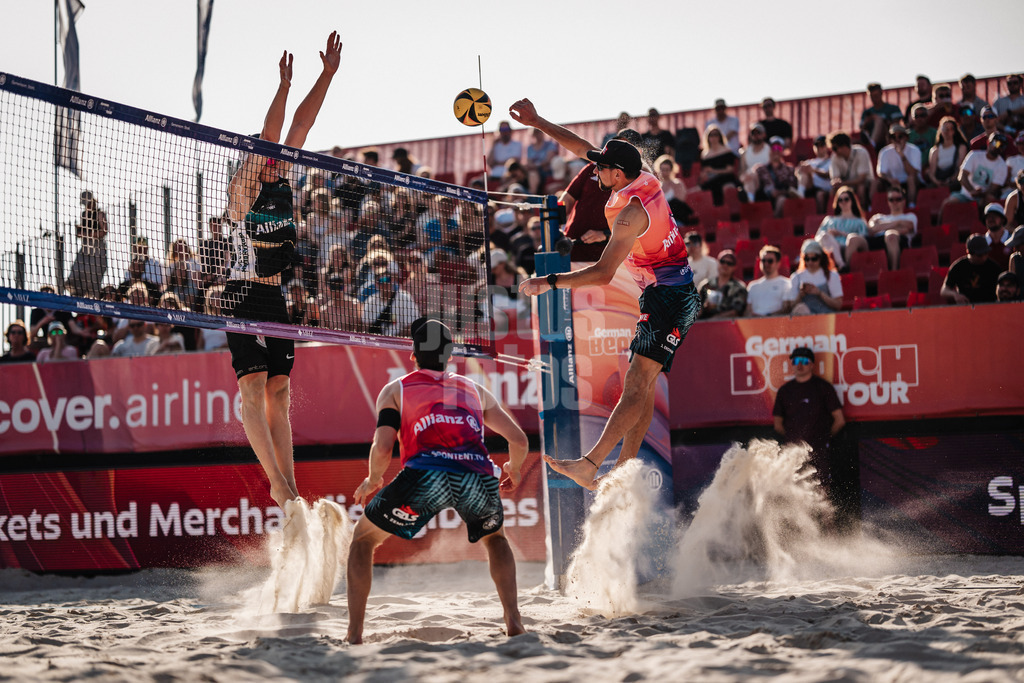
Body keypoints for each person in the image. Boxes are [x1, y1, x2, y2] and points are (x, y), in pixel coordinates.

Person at [510, 97, 700, 489]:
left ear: (617, 173)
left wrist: (548, 283)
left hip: (671, 297)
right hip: (664, 294)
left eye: (602, 167)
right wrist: (538, 121)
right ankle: (623, 470)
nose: (594, 168)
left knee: (635, 384)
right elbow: (582, 148)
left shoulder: (631, 212)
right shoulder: (639, 174)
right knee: (643, 388)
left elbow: (601, 273)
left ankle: (591, 463)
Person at [346, 318, 529, 644]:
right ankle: (514, 621)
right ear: (450, 356)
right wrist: (514, 469)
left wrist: (373, 479)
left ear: (413, 354)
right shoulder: (475, 389)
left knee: (362, 541)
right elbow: (518, 440)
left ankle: (355, 634)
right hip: (476, 475)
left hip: (426, 475)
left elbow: (383, 446)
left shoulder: (396, 390)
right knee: (496, 540)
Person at [222, 32, 342, 508]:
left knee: (280, 390)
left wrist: (327, 74)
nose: (274, 158)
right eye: (265, 157)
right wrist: (283, 87)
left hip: (274, 295)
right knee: (253, 385)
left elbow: (301, 128)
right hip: (239, 293)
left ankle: (290, 488)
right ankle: (275, 481)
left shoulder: (283, 178)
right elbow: (273, 135)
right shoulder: (242, 193)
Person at [772, 347, 847, 521]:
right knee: (793, 497)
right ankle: (797, 541)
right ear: (791, 364)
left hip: (819, 452)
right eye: (796, 361)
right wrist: (794, 442)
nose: (800, 365)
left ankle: (831, 540)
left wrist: (823, 439)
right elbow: (778, 424)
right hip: (793, 456)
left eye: (804, 361)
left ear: (812, 364)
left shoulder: (822, 387)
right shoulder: (785, 391)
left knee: (823, 496)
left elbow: (839, 420)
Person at [65, 190, 109, 299]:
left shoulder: (99, 213)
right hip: (85, 248)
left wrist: (88, 234)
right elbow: (81, 233)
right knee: (75, 273)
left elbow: (103, 231)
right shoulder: (84, 214)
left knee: (93, 278)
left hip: (97, 248)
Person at [815, 186, 869, 270]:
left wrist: (840, 233)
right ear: (837, 203)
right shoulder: (829, 220)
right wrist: (830, 235)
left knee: (852, 238)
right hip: (832, 249)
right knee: (824, 235)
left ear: (852, 201)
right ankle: (842, 266)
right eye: (840, 200)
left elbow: (864, 238)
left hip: (850, 248)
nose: (843, 202)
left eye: (846, 199)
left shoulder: (860, 221)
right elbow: (817, 238)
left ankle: (847, 266)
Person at [785, 240, 843, 315]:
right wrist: (801, 295)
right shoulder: (796, 277)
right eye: (807, 259)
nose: (810, 262)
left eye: (814, 258)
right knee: (800, 308)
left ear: (821, 258)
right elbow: (791, 308)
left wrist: (819, 293)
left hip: (826, 318)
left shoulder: (832, 276)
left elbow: (838, 305)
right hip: (805, 322)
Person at [866, 187, 917, 270]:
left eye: (898, 199)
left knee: (891, 235)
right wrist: (898, 222)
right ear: (888, 201)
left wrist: (881, 226)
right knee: (855, 238)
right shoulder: (878, 217)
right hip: (877, 243)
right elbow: (871, 229)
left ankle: (894, 271)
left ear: (904, 201)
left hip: (899, 243)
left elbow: (906, 229)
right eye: (891, 199)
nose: (894, 202)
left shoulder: (910, 216)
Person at [941, 234, 1001, 304]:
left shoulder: (993, 267)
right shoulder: (959, 267)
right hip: (966, 306)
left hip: (989, 305)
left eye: (986, 253)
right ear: (969, 252)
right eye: (980, 255)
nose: (984, 257)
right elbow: (944, 291)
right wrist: (955, 295)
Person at [749, 136, 801, 214]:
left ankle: (774, 220)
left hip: (782, 201)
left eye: (779, 148)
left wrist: (779, 192)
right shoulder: (760, 169)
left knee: (781, 199)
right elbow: (751, 179)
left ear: (782, 151)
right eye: (773, 148)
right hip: (764, 200)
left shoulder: (790, 169)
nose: (776, 151)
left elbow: (792, 189)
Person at [876, 124, 922, 204]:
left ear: (906, 137)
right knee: (875, 183)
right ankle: (873, 207)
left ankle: (911, 204)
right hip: (892, 182)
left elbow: (912, 173)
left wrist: (902, 155)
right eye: (893, 137)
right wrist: (889, 179)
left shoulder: (915, 150)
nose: (897, 140)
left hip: (912, 182)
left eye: (900, 136)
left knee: (910, 179)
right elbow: (881, 172)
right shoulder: (884, 152)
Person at [828, 131, 875, 209]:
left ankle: (864, 210)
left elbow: (862, 179)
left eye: (835, 148)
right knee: (833, 190)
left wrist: (843, 183)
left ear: (844, 146)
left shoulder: (861, 152)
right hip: (847, 185)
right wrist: (837, 183)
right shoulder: (835, 157)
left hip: (865, 184)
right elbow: (835, 178)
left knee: (861, 188)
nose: (833, 151)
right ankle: (836, 213)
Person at [698, 125, 742, 206]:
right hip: (711, 181)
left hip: (726, 178)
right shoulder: (704, 155)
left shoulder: (726, 150)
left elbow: (730, 170)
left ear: (720, 137)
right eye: (711, 135)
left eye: (716, 134)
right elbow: (704, 171)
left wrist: (713, 170)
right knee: (698, 190)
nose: (713, 137)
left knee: (726, 188)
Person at [698, 249, 747, 319]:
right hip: (704, 325)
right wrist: (705, 307)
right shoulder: (705, 285)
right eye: (722, 261)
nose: (725, 265)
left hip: (728, 326)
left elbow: (736, 312)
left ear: (734, 267)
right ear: (717, 263)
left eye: (729, 263)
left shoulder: (739, 287)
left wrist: (715, 319)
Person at [745, 244, 791, 317]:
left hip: (776, 323)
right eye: (763, 260)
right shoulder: (752, 286)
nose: (766, 263)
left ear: (778, 263)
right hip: (755, 324)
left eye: (770, 261)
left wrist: (767, 317)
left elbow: (786, 309)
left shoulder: (786, 283)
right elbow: (748, 311)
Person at [925, 116, 969, 190]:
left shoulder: (961, 147)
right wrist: (937, 182)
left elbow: (960, 168)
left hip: (955, 181)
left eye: (950, 129)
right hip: (938, 181)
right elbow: (932, 172)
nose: (947, 131)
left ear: (954, 131)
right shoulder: (934, 150)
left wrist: (950, 180)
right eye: (944, 129)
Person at [861, 83, 903, 149]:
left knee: (879, 120)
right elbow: (862, 128)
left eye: (876, 96)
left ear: (881, 93)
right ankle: (871, 144)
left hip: (888, 136)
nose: (874, 99)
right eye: (872, 96)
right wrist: (867, 122)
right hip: (870, 135)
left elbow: (896, 125)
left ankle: (872, 145)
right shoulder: (867, 112)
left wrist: (881, 120)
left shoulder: (893, 108)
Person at [798, 135, 833, 213]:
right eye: (817, 145)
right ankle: (800, 193)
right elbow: (799, 175)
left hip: (824, 189)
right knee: (804, 173)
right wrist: (800, 169)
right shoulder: (809, 162)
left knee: (820, 194)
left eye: (822, 145)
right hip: (810, 188)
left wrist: (813, 170)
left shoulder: (832, 161)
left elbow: (829, 175)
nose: (819, 148)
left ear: (827, 146)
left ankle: (820, 217)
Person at [983, 203, 1012, 270]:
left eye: (994, 216)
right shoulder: (981, 243)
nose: (991, 219)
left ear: (1003, 220)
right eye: (988, 217)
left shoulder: (1013, 240)